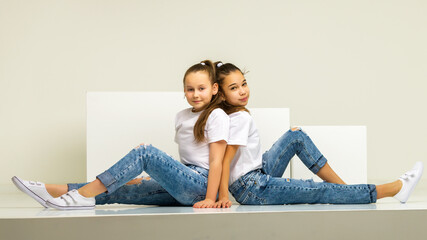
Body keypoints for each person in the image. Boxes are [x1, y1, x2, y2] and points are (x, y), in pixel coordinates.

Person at [12, 60, 230, 210]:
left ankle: (82, 196)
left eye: (201, 88)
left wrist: (211, 198)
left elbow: (216, 161)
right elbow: (187, 160)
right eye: (190, 89)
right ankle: (51, 191)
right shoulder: (182, 116)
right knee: (122, 187)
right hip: (185, 181)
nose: (195, 94)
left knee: (145, 152)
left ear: (213, 88)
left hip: (201, 185)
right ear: (184, 90)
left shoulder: (217, 115)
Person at [212, 62, 423, 208]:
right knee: (315, 190)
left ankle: (347, 192)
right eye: (234, 88)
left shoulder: (231, 115)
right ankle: (394, 189)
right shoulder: (240, 118)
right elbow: (225, 160)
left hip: (256, 173)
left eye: (244, 84)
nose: (243, 91)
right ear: (221, 94)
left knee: (295, 135)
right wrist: (222, 196)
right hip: (252, 187)